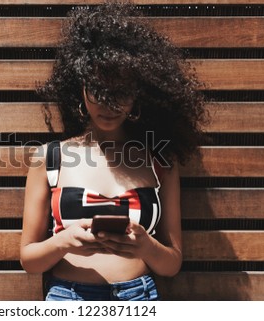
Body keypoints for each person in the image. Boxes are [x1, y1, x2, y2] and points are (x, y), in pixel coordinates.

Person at [20, 2, 208, 301]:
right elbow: (29, 259)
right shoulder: (49, 157)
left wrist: (145, 245)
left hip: (138, 297)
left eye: (121, 92)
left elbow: (171, 264)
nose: (109, 105)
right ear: (79, 88)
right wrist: (63, 242)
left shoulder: (160, 161)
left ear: (138, 94)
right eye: (99, 91)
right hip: (67, 299)